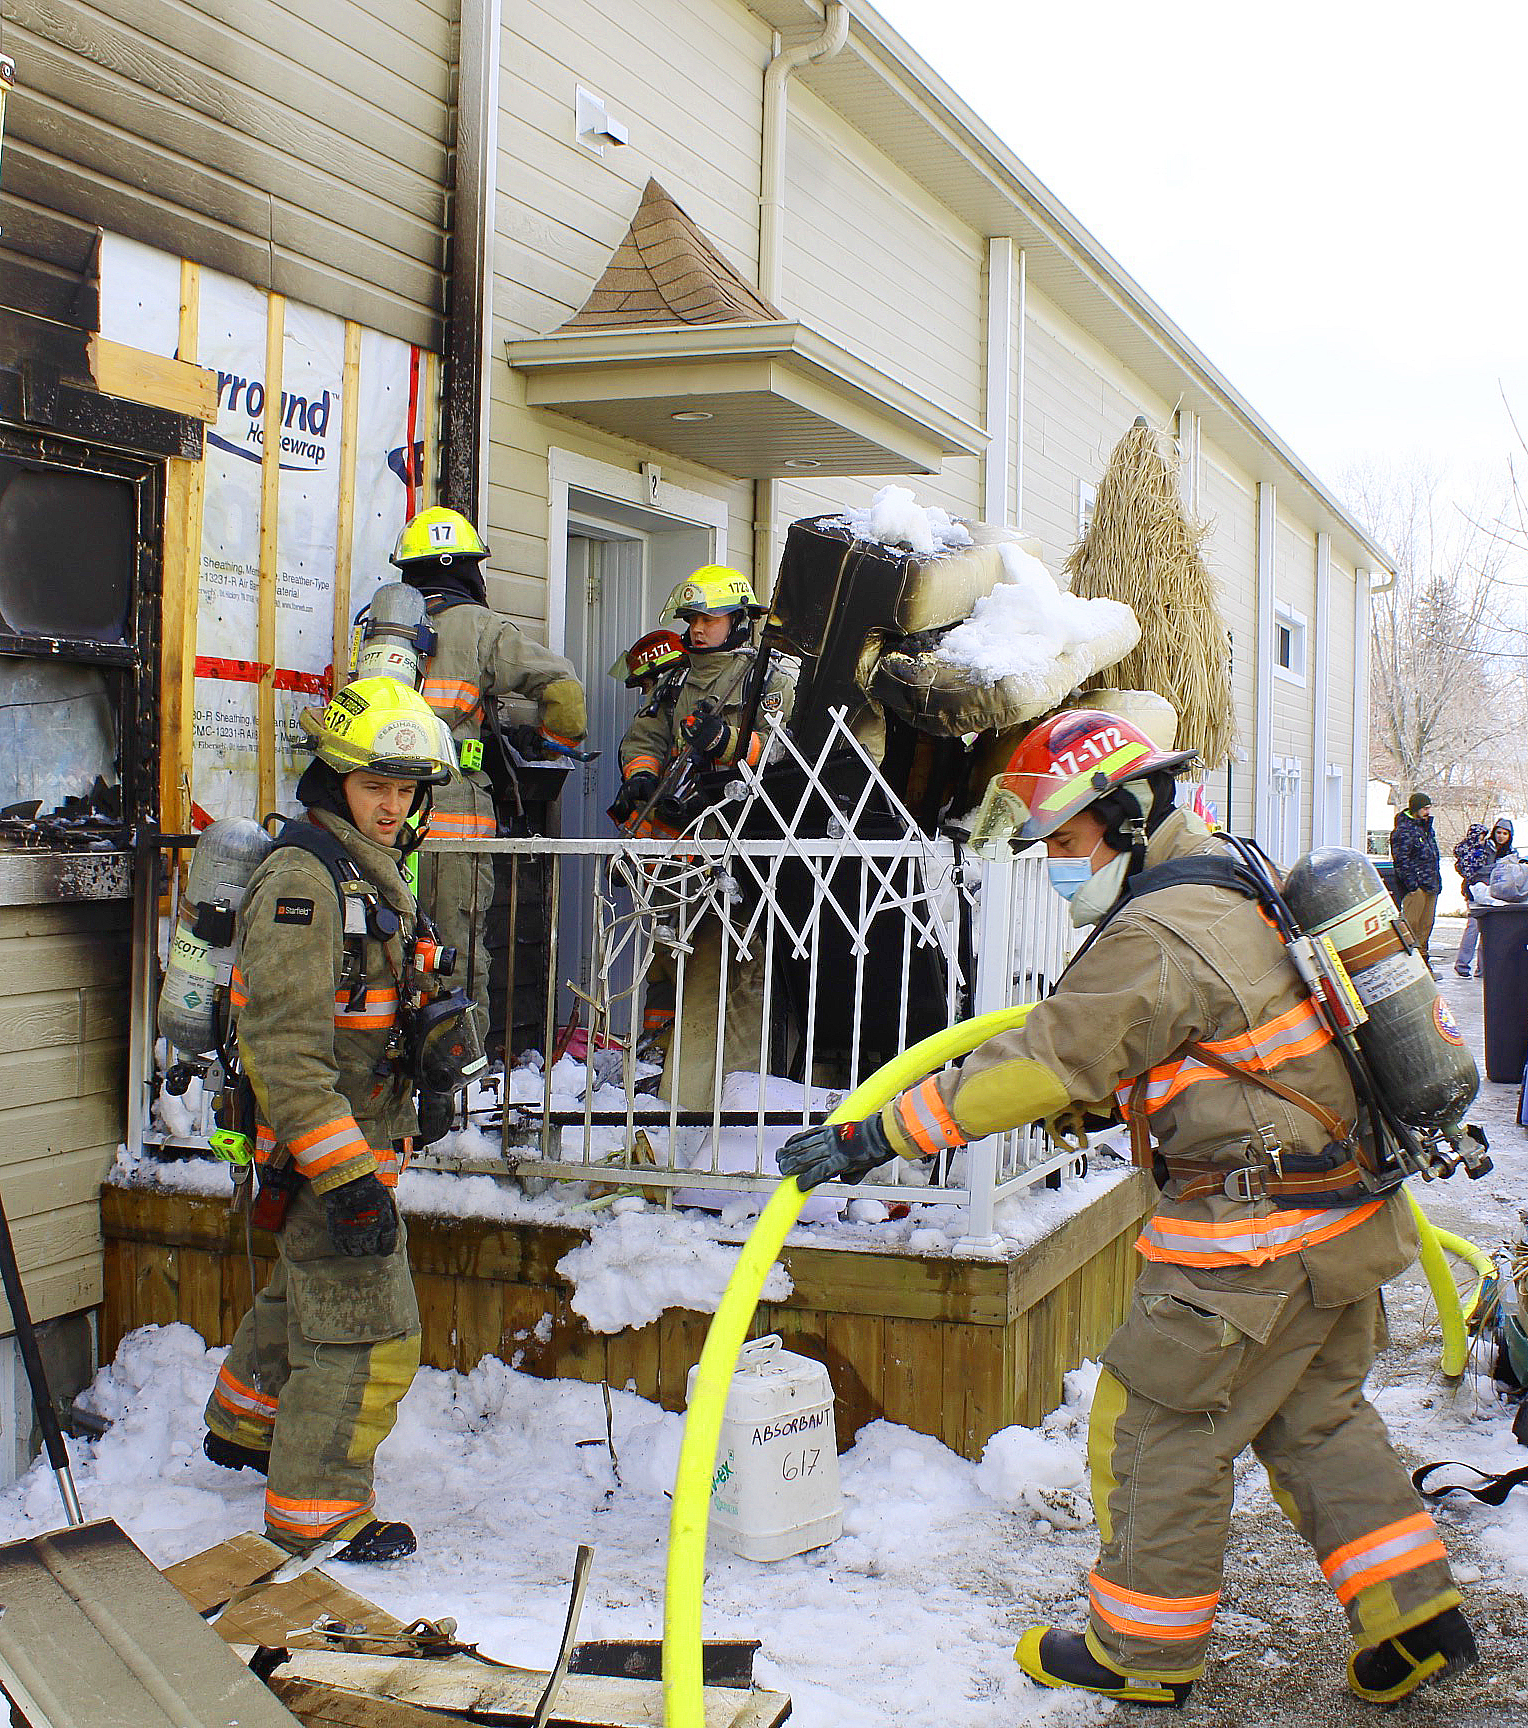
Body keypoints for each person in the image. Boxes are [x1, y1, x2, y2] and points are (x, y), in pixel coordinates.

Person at [780, 709, 1476, 1708]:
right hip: (1340, 1218)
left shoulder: (1153, 931)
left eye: (1064, 843)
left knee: (1152, 1430)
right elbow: (1185, 1045)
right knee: (1317, 1419)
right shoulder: (1228, 876)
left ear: (1127, 817)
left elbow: (1042, 1060)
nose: (1055, 866)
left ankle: (1138, 1653)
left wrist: (875, 1136)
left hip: (1248, 1245)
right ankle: (1412, 1620)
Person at [202, 677, 459, 1561]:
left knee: (303, 1292)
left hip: (353, 1142)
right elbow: (283, 1052)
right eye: (375, 787)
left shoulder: (358, 864)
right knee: (368, 1333)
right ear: (335, 780)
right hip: (323, 1155)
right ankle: (320, 1509)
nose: (394, 806)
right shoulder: (304, 885)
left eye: (406, 789)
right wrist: (347, 1178)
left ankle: (243, 1426)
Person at [392, 506, 588, 1041]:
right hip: (451, 814)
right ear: (464, 569)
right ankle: (457, 1069)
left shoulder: (379, 627)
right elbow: (563, 687)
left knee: (392, 943)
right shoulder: (479, 626)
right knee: (456, 945)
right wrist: (550, 743)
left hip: (382, 813)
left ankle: (398, 1064)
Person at [610, 567, 794, 1109]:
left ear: (738, 620)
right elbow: (643, 737)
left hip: (742, 845)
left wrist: (728, 741)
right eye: (691, 619)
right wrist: (640, 776)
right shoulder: (675, 680)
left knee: (737, 967)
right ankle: (668, 1061)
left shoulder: (767, 676)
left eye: (708, 618)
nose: (696, 629)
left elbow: (783, 747)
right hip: (680, 851)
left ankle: (724, 1090)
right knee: (675, 955)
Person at [1391, 792, 1443, 974]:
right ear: (1415, 809)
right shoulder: (1403, 830)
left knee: (1426, 926)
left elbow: (1433, 855)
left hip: (1431, 883)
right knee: (1411, 925)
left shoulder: (1426, 828)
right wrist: (1412, 885)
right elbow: (1401, 860)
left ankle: (1423, 961)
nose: (1428, 811)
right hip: (1416, 887)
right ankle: (1409, 962)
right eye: (1424, 808)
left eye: (1429, 808)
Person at [1453, 819, 1513, 977]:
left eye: (1505, 833)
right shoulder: (1483, 847)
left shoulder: (1510, 853)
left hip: (1497, 895)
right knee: (1473, 928)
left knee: (1489, 931)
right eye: (1498, 832)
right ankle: (1462, 965)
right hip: (1476, 892)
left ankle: (1483, 969)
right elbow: (1474, 870)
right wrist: (1496, 869)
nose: (1501, 836)